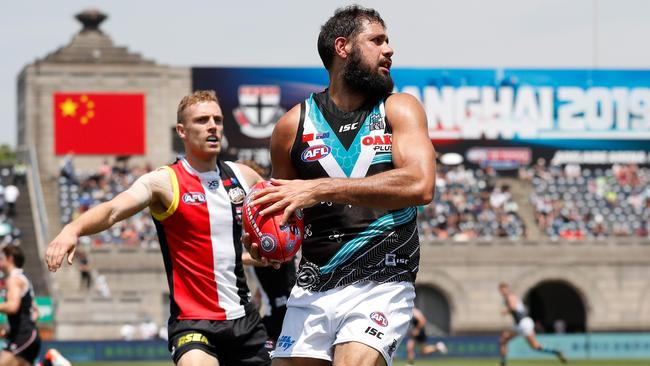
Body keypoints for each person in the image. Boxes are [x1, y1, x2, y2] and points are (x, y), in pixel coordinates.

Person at [244, 5, 436, 366]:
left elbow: (420, 184)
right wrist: (262, 239)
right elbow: (281, 212)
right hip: (313, 286)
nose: (389, 49)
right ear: (343, 47)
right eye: (377, 40)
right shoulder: (291, 126)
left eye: (388, 41)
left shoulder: (399, 108)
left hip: (382, 278)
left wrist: (319, 189)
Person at [46, 90, 273, 366]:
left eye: (217, 119)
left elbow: (278, 220)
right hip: (194, 323)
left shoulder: (244, 177)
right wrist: (73, 229)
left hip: (245, 321)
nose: (212, 126)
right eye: (202, 120)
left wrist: (272, 248)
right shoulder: (164, 181)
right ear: (182, 130)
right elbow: (113, 210)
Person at [498, 282, 566, 365]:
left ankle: (503, 364)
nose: (502, 292)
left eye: (503, 289)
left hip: (523, 323)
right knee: (504, 340)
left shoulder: (510, 296)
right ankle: (556, 352)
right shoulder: (509, 297)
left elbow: (513, 306)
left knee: (534, 346)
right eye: (501, 290)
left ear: (506, 289)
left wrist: (506, 311)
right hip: (520, 324)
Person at [0, 245, 41, 366]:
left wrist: (23, 328)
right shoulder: (23, 278)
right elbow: (36, 312)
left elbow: (13, 307)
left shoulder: (14, 279)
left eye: (1, 258)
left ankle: (51, 362)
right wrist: (13, 329)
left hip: (24, 336)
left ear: (10, 258)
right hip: (26, 335)